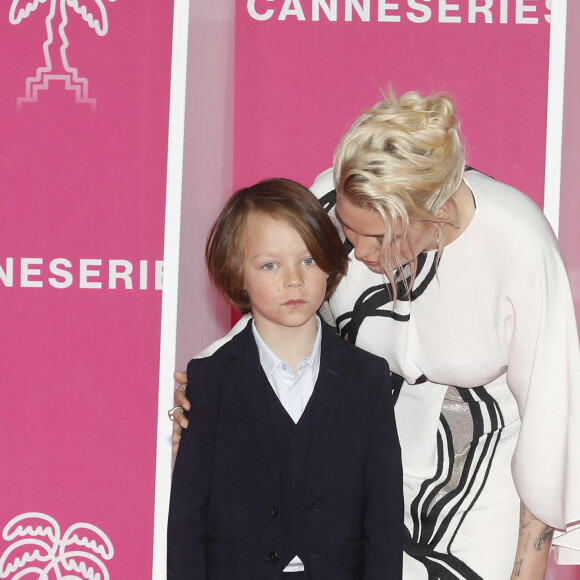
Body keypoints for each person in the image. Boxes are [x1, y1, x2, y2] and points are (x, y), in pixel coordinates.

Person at [171, 91, 580, 579]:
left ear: (439, 214)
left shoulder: (519, 245)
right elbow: (275, 305)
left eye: (381, 237)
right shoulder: (328, 198)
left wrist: (527, 569)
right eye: (348, 227)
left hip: (482, 465)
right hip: (355, 453)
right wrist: (208, 395)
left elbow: (550, 423)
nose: (355, 251)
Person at [167, 178, 404, 580]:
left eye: (308, 260)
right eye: (270, 265)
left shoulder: (368, 378)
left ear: (329, 264)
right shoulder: (209, 382)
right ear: (236, 272)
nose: (293, 280)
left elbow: (383, 521)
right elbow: (188, 522)